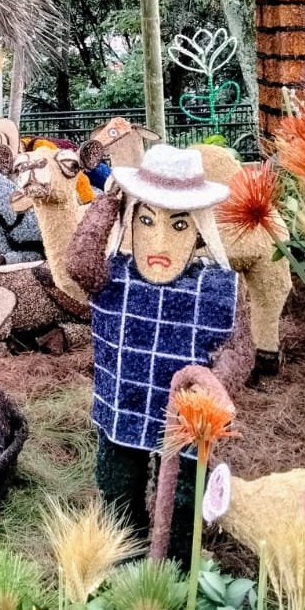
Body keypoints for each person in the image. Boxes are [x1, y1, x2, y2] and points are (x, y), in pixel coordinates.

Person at [64, 144, 253, 561]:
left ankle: (179, 563)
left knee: (184, 497)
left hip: (186, 420)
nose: (160, 241)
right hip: (123, 407)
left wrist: (214, 386)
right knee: (118, 485)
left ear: (198, 231)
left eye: (179, 225)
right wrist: (108, 203)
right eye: (146, 220)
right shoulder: (112, 279)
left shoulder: (218, 289)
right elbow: (77, 262)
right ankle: (125, 552)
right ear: (131, 219)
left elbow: (239, 349)